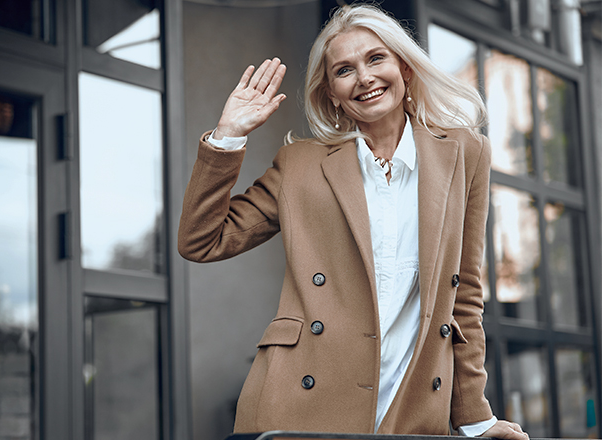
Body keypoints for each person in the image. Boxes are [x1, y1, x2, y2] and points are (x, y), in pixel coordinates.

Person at [178, 4, 529, 439]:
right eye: (344, 70)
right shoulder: (301, 165)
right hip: (299, 406)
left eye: (376, 59)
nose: (364, 78)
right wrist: (228, 135)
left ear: (404, 66)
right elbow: (202, 240)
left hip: (413, 404)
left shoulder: (464, 154)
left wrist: (475, 417)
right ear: (331, 92)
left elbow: (465, 295)